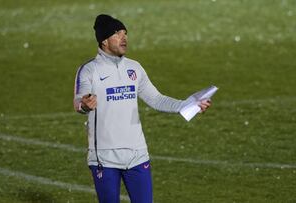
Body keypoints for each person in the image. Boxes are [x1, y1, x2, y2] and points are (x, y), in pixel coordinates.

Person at [73, 14, 211, 203]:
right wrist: (85, 105)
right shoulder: (89, 70)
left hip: (137, 155)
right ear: (104, 41)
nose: (124, 38)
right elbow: (80, 101)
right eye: (117, 33)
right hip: (104, 159)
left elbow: (156, 99)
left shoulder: (135, 68)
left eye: (125, 33)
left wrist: (187, 104)